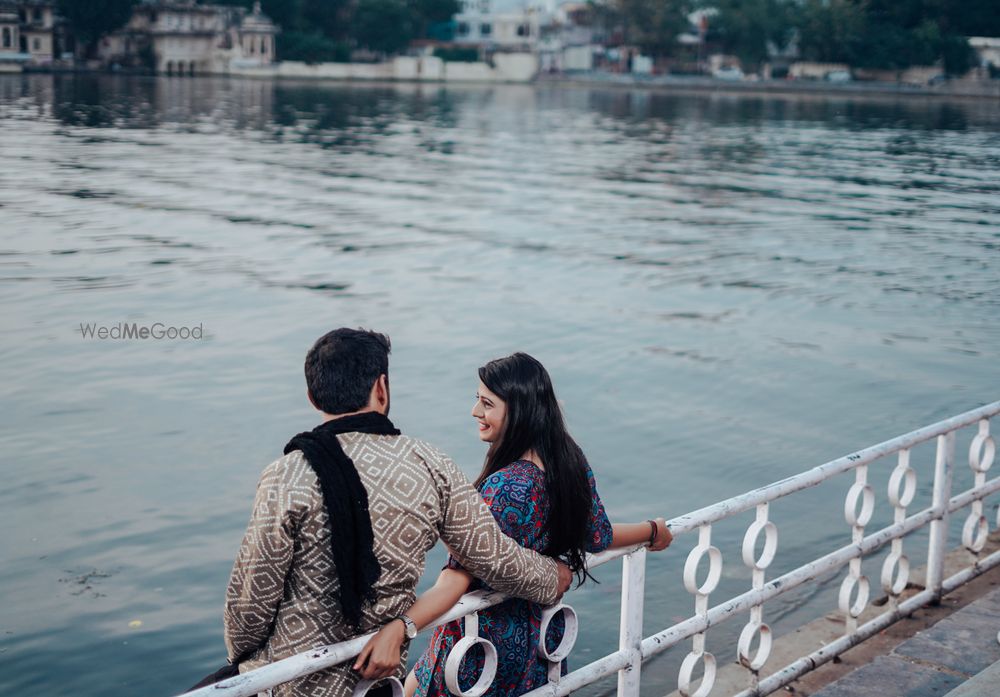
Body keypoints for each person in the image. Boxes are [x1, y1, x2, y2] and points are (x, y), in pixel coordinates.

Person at [223, 330, 572, 697]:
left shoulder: (286, 474)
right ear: (382, 388)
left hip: (293, 679)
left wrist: (240, 653)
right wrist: (553, 576)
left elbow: (251, 601)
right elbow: (496, 559)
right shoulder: (429, 464)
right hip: (379, 680)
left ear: (312, 397)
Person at [352, 352, 673, 697]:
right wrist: (652, 530)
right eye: (477, 400)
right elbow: (597, 535)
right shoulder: (567, 457)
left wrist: (401, 627)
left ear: (518, 409)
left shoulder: (505, 489)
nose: (476, 412)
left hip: (480, 657)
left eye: (487, 404)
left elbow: (455, 580)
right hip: (541, 645)